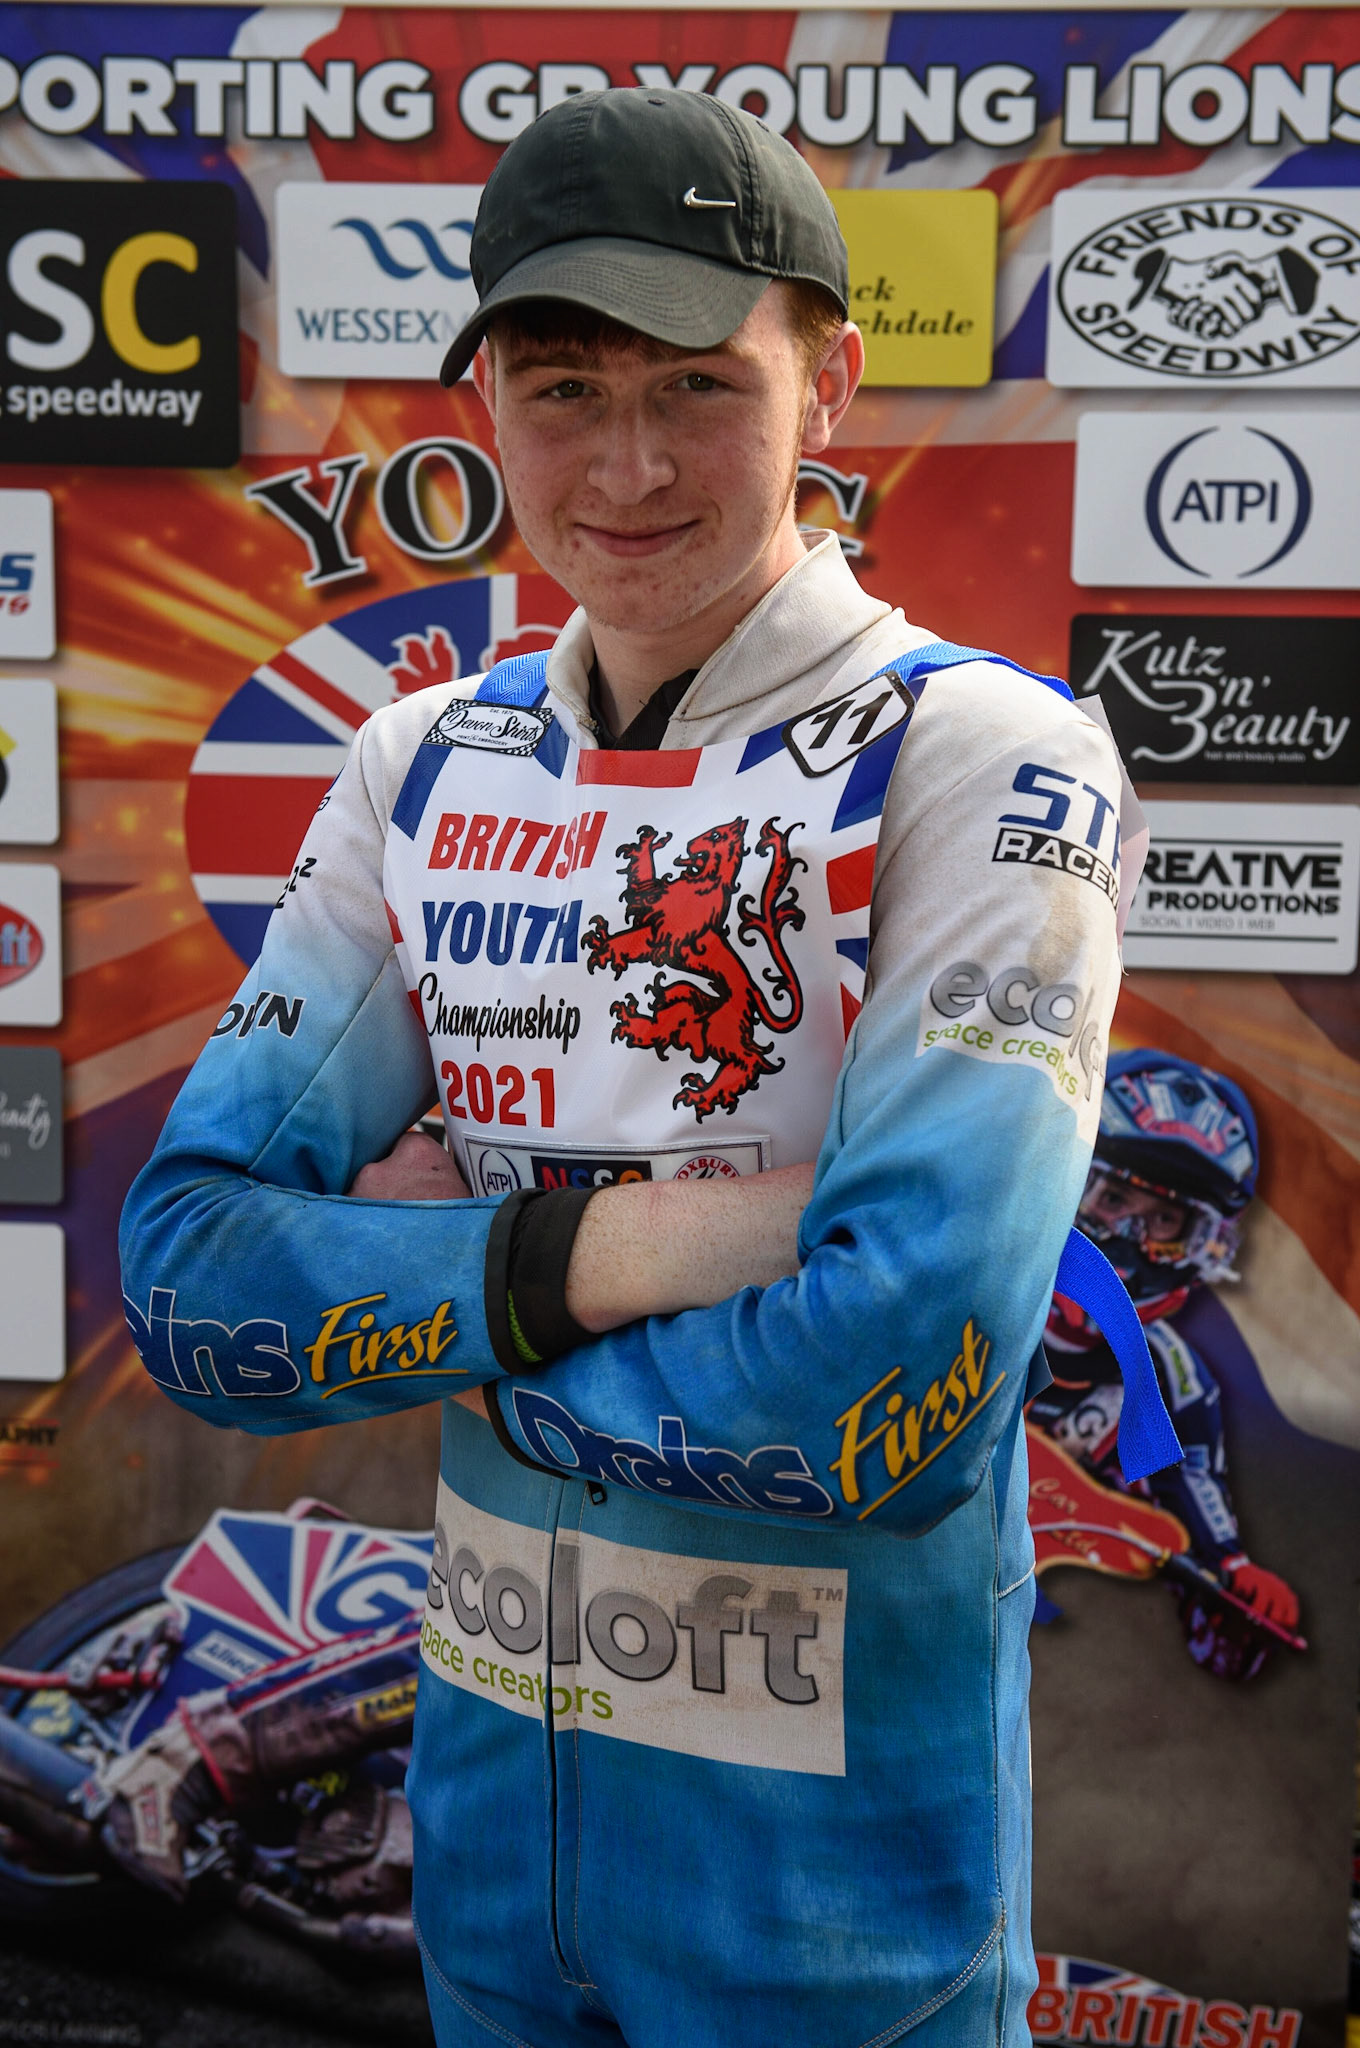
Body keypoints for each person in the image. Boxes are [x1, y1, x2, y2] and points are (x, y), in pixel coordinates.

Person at [120, 87, 1155, 2048]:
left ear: (830, 381)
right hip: (492, 1861)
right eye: (563, 386)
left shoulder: (986, 759)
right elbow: (188, 1282)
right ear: (486, 397)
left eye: (698, 384)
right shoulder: (422, 763)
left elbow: (898, 1386)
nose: (626, 465)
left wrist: (423, 1296)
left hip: (833, 1905)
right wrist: (611, 1252)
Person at [1032, 1048, 1300, 1681]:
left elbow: (1190, 1483)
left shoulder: (1171, 1376)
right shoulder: (981, 1297)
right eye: (1114, 1196)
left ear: (1199, 1242)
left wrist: (1233, 1576)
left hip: (1059, 1647)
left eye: (1164, 1220)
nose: (1129, 1236)